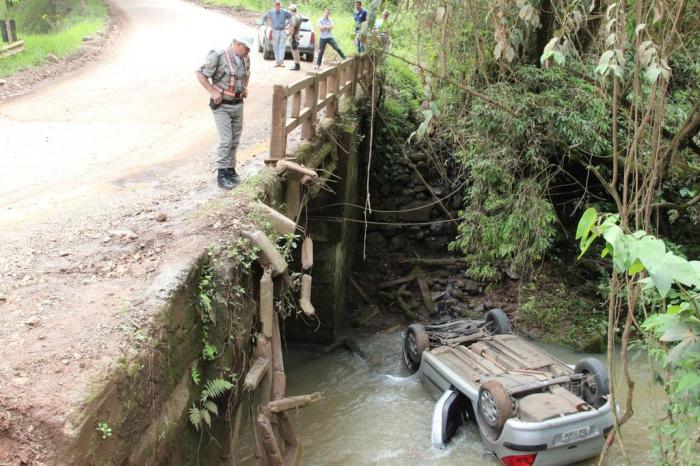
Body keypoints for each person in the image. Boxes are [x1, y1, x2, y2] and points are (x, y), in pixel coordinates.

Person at [195, 35, 253, 189]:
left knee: (234, 140)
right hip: (222, 105)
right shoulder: (218, 56)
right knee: (226, 140)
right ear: (238, 44)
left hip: (238, 104)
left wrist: (244, 88)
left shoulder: (245, 58)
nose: (248, 51)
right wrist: (212, 91)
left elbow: (245, 75)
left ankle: (230, 170)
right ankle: (221, 174)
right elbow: (200, 73)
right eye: (246, 48)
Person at [263, 0, 291, 67]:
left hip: (283, 31)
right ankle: (277, 61)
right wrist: (267, 23)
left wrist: (288, 25)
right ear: (275, 5)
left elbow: (290, 16)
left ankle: (281, 61)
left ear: (280, 5)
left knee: (282, 46)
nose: (277, 6)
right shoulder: (271, 12)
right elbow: (264, 17)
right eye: (276, 5)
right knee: (275, 47)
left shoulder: (284, 12)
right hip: (275, 31)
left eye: (278, 5)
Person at [287, 4, 302, 71]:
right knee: (295, 50)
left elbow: (292, 27)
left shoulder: (294, 17)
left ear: (292, 10)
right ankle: (297, 64)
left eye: (289, 10)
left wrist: (290, 35)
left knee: (294, 50)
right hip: (296, 34)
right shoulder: (298, 16)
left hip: (293, 35)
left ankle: (297, 65)